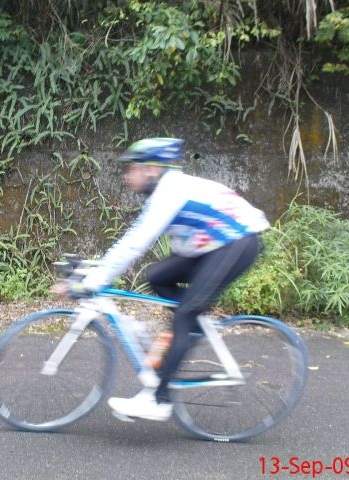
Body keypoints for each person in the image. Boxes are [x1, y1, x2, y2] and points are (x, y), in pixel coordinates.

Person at [52, 137, 270, 421]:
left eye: (133, 169)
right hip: (210, 245)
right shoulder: (162, 193)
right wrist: (94, 270)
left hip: (237, 242)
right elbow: (137, 240)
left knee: (185, 315)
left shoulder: (170, 191)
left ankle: (159, 400)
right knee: (157, 276)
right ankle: (190, 328)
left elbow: (135, 244)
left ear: (152, 169)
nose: (127, 176)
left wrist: (92, 280)